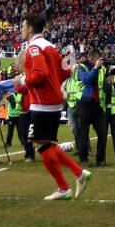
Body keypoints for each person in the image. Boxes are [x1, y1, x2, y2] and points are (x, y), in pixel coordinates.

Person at [14, 13, 89, 201]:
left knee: (41, 146)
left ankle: (69, 182)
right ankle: (74, 177)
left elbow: (39, 74)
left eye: (23, 26)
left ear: (30, 29)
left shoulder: (33, 48)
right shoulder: (50, 46)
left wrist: (21, 79)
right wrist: (55, 85)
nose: (21, 29)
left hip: (43, 102)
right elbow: (65, 70)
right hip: (53, 100)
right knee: (45, 144)